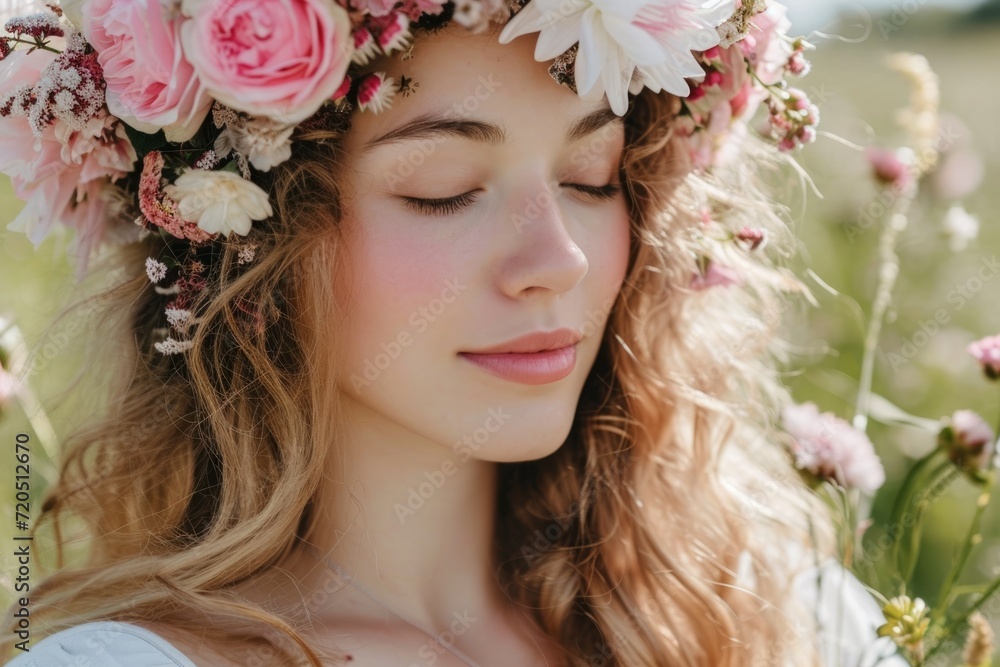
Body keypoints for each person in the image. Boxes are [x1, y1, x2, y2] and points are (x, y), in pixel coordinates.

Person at [0, 1, 908, 665]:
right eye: (442, 187)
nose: (558, 259)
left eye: (590, 176)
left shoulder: (778, 616)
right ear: (244, 239)